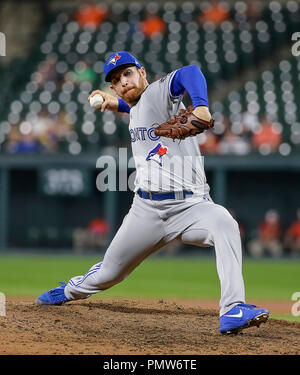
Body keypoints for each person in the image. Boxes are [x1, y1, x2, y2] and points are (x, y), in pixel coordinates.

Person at [35, 51, 270, 335]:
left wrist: (201, 106)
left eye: (128, 73)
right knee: (110, 273)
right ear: (113, 87)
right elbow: (138, 108)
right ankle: (70, 290)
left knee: (225, 224)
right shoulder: (136, 105)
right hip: (146, 211)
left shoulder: (159, 92)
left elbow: (190, 71)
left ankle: (232, 309)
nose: (123, 81)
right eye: (116, 80)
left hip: (191, 208)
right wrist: (117, 105)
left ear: (142, 72)